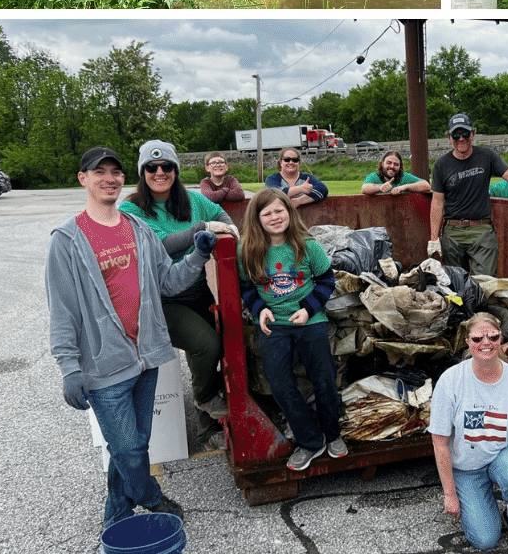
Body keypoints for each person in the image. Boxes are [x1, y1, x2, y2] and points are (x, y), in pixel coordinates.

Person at [46, 147, 219, 533]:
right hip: (105, 365)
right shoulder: (68, 240)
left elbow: (168, 282)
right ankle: (150, 495)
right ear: (83, 179)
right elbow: (62, 311)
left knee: (134, 446)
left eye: (115, 172)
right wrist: (69, 368)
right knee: (128, 449)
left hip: (147, 357)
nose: (109, 178)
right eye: (99, 172)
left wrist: (196, 257)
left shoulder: (137, 229)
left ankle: (117, 519)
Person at [119, 140, 239, 442]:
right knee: (206, 344)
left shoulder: (193, 200)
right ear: (142, 172)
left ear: (175, 169)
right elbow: (161, 244)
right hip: (161, 297)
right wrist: (202, 228)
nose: (160, 172)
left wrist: (228, 229)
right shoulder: (131, 209)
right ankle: (205, 399)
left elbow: (222, 217)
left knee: (225, 344)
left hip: (198, 288)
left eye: (167, 166)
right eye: (152, 167)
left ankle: (207, 425)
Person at [238, 187, 347, 470]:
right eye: (267, 213)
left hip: (309, 321)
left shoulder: (307, 244)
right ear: (257, 219)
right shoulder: (248, 250)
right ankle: (311, 440)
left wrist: (308, 308)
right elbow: (247, 286)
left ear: (289, 211)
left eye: (279, 210)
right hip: (274, 324)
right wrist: (259, 309)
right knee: (280, 383)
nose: (275, 217)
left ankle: (333, 434)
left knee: (323, 377)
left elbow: (326, 281)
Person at [429, 312, 508, 551]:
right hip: (467, 468)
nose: (485, 343)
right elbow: (440, 442)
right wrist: (450, 494)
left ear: (501, 339)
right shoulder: (450, 381)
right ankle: (478, 498)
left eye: (492, 336)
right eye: (477, 339)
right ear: (467, 342)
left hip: (505, 456)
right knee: (484, 540)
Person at [429, 112, 508, 276]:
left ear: (473, 134)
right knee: (456, 284)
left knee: (487, 283)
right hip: (452, 232)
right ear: (449, 137)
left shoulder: (487, 156)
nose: (461, 138)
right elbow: (437, 202)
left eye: (465, 133)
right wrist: (433, 238)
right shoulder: (441, 164)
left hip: (481, 230)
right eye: (456, 134)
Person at [263, 147, 328, 208]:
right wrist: (301, 189)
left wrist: (299, 201)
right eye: (287, 159)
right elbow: (274, 193)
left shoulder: (307, 177)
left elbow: (323, 189)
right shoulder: (272, 178)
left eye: (295, 160)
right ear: (280, 162)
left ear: (299, 163)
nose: (291, 162)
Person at [361, 150, 431, 196]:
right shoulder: (375, 176)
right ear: (382, 163)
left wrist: (405, 186)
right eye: (389, 163)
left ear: (400, 166)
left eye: (396, 164)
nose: (392, 166)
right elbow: (364, 188)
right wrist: (380, 187)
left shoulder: (404, 177)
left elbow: (426, 185)